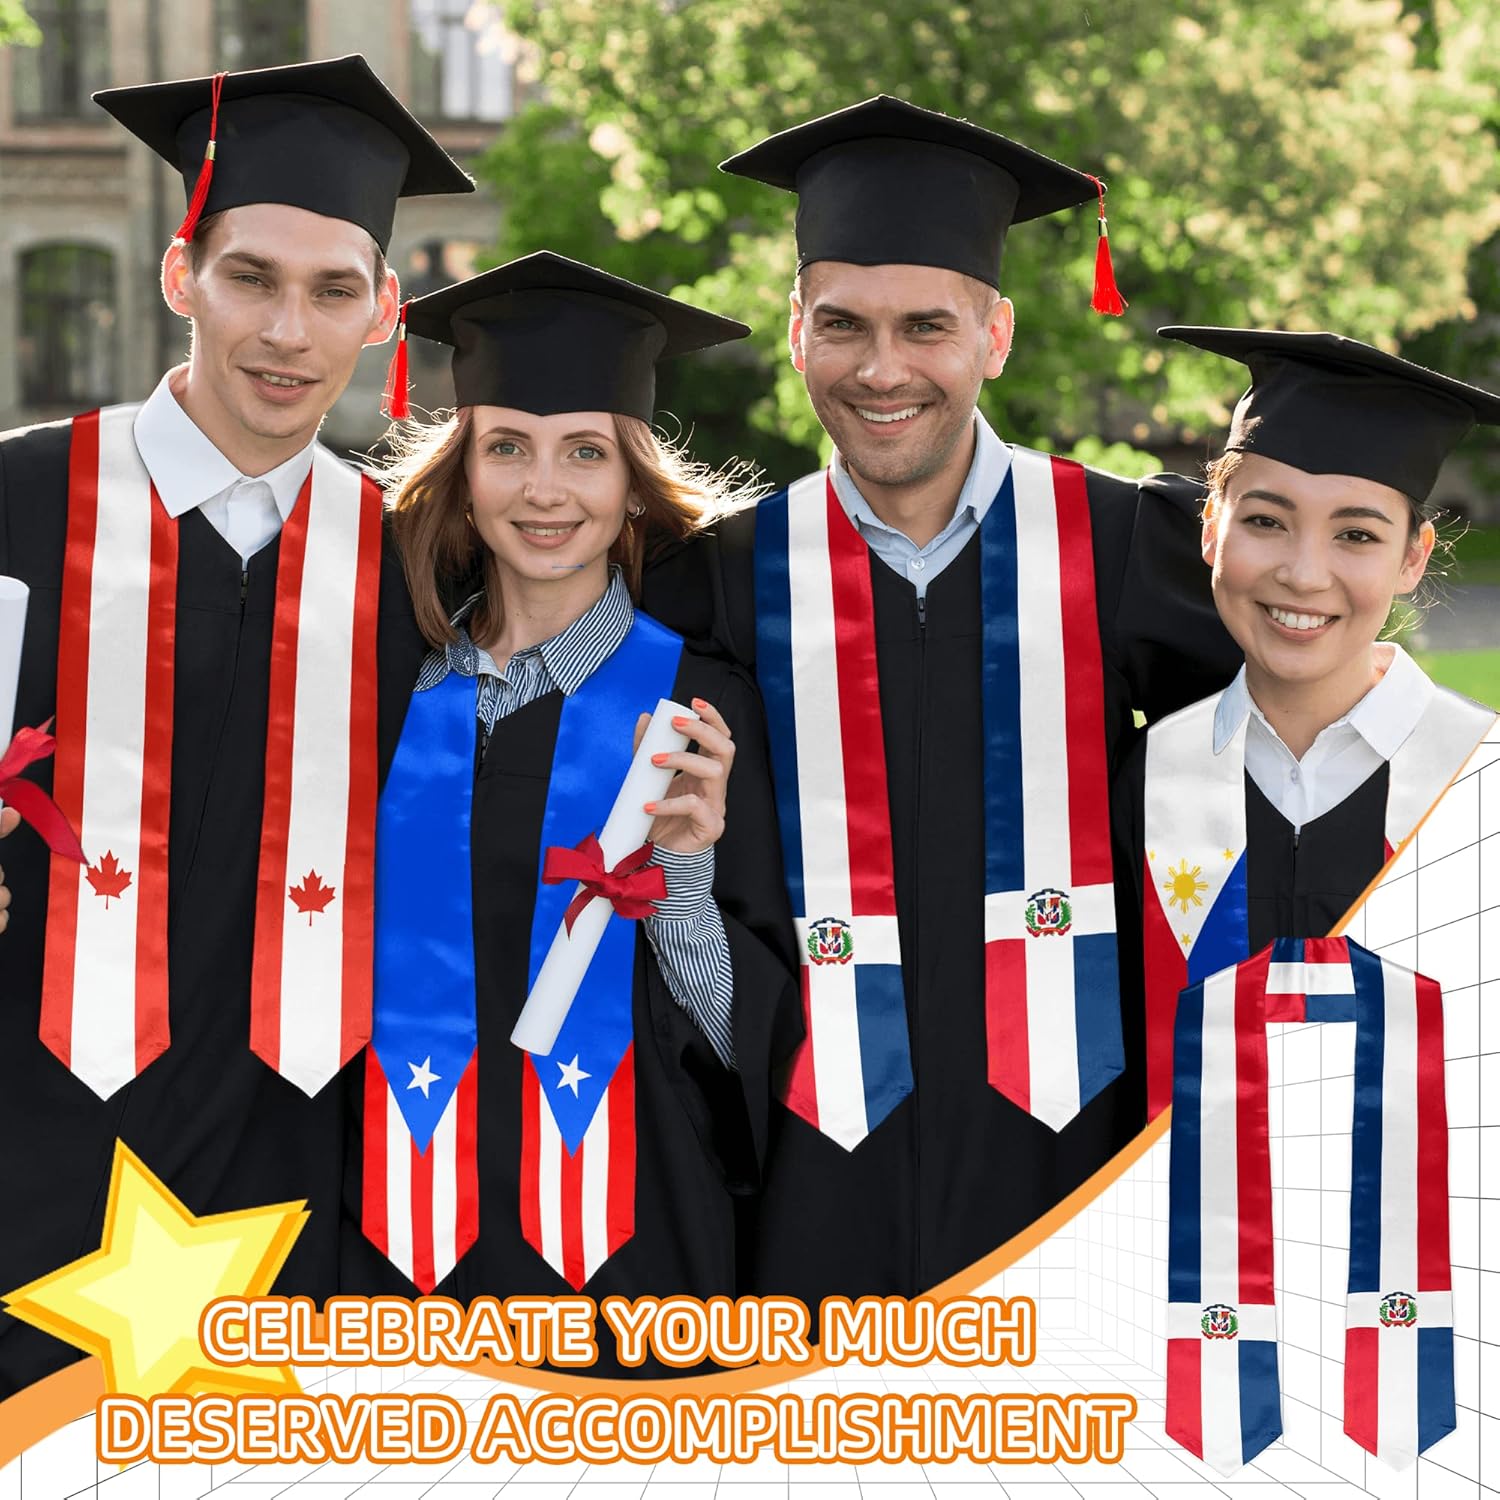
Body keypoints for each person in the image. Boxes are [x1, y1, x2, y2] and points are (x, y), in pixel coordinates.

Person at [641, 96, 1243, 1309]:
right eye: (842, 326)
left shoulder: (1122, 548)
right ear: (796, 336)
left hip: (1070, 1178)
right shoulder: (717, 579)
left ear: (997, 334)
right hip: (812, 1204)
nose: (883, 368)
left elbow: (1303, 733)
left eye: (928, 326)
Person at [0, 56, 473, 1397]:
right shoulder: (20, 508)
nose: (286, 331)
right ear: (179, 276)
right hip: (27, 1171)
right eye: (250, 278)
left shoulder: (416, 576)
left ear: (386, 313)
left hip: (297, 1192)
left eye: (334, 292)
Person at [340, 253, 800, 1370]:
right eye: (508, 448)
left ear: (634, 481)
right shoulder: (385, 691)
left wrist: (684, 881)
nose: (546, 491)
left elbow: (756, 1044)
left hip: (635, 1259)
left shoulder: (702, 708)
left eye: (585, 452)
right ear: (462, 470)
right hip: (394, 1262)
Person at [1120, 327, 1499, 1118]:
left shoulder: (1475, 782)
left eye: (1356, 534)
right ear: (1209, 526)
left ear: (1413, 558)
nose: (1304, 571)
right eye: (1265, 521)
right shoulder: (1142, 782)